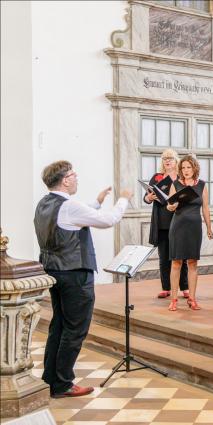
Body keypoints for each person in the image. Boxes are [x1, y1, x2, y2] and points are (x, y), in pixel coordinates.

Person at [34, 160, 132, 398]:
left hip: (54, 271)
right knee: (75, 328)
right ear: (65, 180)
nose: (77, 178)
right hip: (74, 273)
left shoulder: (45, 203)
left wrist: (97, 201)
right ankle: (63, 383)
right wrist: (124, 199)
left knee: (59, 325)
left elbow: (75, 214)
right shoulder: (69, 207)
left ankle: (52, 378)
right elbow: (108, 220)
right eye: (74, 175)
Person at [166, 154, 212, 311]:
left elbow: (205, 207)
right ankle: (173, 299)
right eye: (183, 168)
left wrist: (209, 227)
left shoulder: (202, 185)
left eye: (189, 167)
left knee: (193, 262)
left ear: (194, 168)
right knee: (176, 262)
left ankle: (192, 298)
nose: (186, 170)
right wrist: (170, 207)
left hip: (194, 227)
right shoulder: (176, 184)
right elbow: (169, 205)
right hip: (178, 226)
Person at [143, 148, 189, 299]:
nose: (167, 161)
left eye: (170, 158)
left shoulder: (182, 177)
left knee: (180, 255)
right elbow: (146, 198)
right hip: (161, 221)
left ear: (176, 161)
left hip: (178, 219)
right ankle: (166, 287)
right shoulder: (157, 177)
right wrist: (149, 197)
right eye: (164, 159)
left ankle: (185, 287)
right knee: (164, 257)